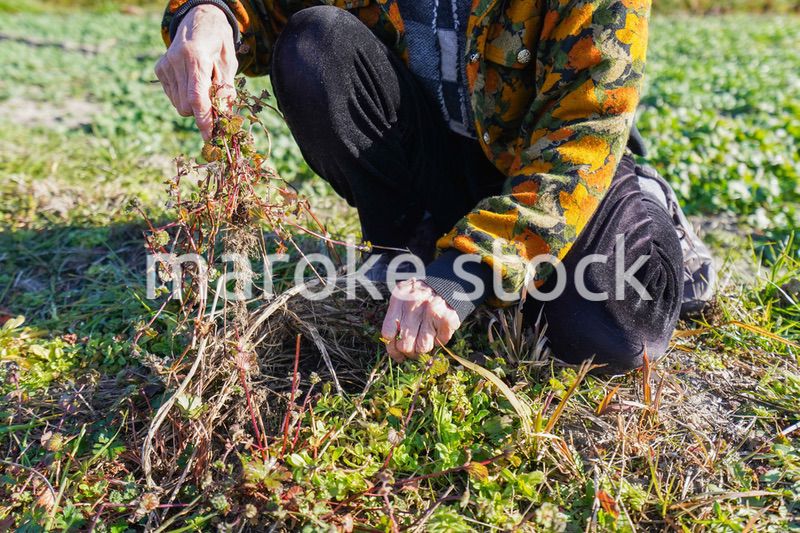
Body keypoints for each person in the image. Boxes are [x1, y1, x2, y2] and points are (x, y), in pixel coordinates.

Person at [155, 0, 715, 372]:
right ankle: (409, 240)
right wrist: (211, 14)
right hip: (430, 156)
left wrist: (466, 271)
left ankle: (647, 198)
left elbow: (584, 127)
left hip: (549, 166)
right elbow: (264, 10)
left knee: (612, 334)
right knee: (312, 46)